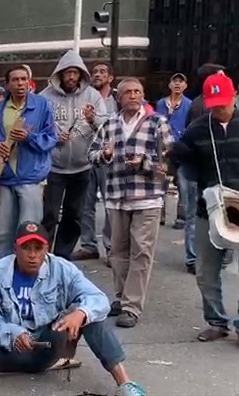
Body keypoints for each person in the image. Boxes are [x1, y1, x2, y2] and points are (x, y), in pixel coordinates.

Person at [168, 73, 239, 354]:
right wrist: (187, 176)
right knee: (206, 272)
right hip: (211, 210)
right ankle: (216, 321)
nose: (219, 108)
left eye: (224, 102)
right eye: (214, 103)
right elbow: (177, 158)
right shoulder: (198, 128)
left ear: (235, 96)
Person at [0, 222, 146, 396]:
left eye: (38, 248)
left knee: (91, 315)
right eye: (26, 248)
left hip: (45, 349)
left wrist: (81, 314)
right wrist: (12, 332)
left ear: (47, 249)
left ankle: (125, 384)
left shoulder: (61, 269)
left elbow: (98, 299)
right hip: (4, 352)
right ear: (15, 249)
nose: (32, 255)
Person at [89, 78, 173, 328]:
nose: (133, 96)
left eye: (137, 92)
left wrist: (146, 164)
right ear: (119, 98)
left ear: (144, 95)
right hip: (116, 197)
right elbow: (91, 155)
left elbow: (169, 162)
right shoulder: (109, 125)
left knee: (142, 252)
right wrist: (103, 155)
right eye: (127, 92)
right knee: (117, 252)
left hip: (147, 198)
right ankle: (121, 296)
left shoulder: (158, 123)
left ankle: (131, 306)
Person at [0, 65, 57, 259]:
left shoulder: (42, 105)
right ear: (7, 84)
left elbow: (51, 139)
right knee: (3, 231)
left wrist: (29, 137)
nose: (20, 83)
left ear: (29, 82)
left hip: (30, 177)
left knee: (29, 229)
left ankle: (30, 268)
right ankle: (2, 269)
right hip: (5, 177)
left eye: (24, 79)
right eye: (15, 80)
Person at [39, 50, 107, 259]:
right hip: (53, 167)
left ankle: (62, 256)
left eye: (75, 73)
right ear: (60, 73)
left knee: (73, 214)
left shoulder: (93, 97)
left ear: (81, 75)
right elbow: (35, 129)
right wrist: (53, 137)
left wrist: (92, 119)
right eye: (67, 72)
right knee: (49, 214)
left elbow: (106, 129)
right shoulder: (45, 97)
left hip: (82, 167)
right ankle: (43, 254)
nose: (71, 77)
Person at [74, 62, 118, 262]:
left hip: (108, 160)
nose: (97, 75)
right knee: (85, 204)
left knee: (110, 205)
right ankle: (88, 245)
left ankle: (111, 249)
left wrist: (94, 120)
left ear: (110, 78)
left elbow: (111, 128)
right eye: (94, 72)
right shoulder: (85, 99)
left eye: (102, 72)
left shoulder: (116, 101)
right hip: (85, 158)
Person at [155, 73, 197, 272]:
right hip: (163, 147)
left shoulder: (189, 104)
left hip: (180, 147)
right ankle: (160, 214)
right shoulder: (161, 104)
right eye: (175, 81)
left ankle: (181, 216)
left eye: (181, 82)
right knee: (160, 180)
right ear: (170, 84)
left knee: (182, 183)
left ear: (185, 85)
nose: (178, 84)